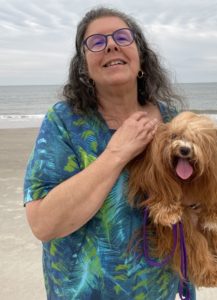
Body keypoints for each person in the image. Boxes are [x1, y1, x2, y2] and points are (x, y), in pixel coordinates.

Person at [24, 7, 196, 300]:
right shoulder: (64, 121)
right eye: (97, 42)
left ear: (140, 56)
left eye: (121, 37)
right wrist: (117, 152)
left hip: (168, 290)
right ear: (84, 67)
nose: (112, 45)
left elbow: (194, 208)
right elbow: (43, 224)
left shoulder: (174, 121)